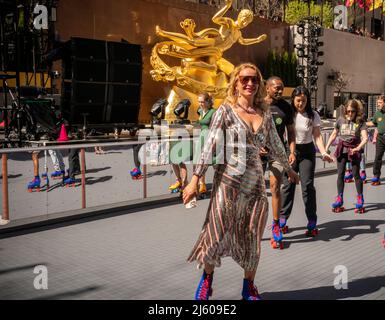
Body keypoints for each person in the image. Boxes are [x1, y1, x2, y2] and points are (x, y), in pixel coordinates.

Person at [182, 63, 299, 300]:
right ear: (236, 82)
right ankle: (207, 281)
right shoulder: (225, 111)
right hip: (227, 182)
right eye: (245, 79)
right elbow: (210, 145)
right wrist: (195, 179)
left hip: (254, 186)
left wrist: (288, 169)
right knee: (215, 232)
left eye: (254, 80)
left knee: (252, 235)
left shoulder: (264, 114)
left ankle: (249, 285)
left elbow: (276, 145)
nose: (250, 83)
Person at [279, 87, 333, 239]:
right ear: (293, 100)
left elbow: (317, 136)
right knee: (287, 185)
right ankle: (283, 218)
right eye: (298, 100)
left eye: (304, 100)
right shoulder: (288, 114)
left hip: (307, 152)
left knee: (307, 186)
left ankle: (312, 220)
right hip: (290, 151)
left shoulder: (313, 115)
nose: (301, 103)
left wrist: (323, 152)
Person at [262, 76, 296, 249]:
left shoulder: (286, 107)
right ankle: (253, 224)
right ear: (267, 88)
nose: (280, 91)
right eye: (276, 88)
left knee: (275, 187)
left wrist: (291, 151)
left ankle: (276, 224)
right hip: (257, 153)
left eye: (281, 88)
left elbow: (290, 132)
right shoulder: (259, 104)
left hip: (278, 153)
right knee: (255, 191)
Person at [325, 99, 368, 213]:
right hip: (342, 149)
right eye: (348, 111)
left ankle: (360, 197)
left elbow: (365, 138)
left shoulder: (360, 121)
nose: (350, 114)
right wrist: (326, 148)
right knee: (340, 174)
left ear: (356, 111)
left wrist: (358, 148)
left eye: (352, 111)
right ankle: (339, 197)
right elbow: (334, 134)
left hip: (354, 149)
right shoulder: (340, 120)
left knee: (356, 175)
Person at [193, 92, 216, 196]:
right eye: (199, 102)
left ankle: (220, 182)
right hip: (202, 136)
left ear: (208, 102)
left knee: (214, 161)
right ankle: (202, 183)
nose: (200, 104)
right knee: (199, 160)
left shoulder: (213, 112)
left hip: (210, 136)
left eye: (202, 102)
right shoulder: (200, 110)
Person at [366, 95, 385, 186]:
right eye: (377, 103)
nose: (378, 105)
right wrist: (362, 123)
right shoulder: (378, 113)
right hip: (380, 138)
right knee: (378, 157)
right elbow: (373, 123)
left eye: (380, 103)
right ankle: (376, 176)